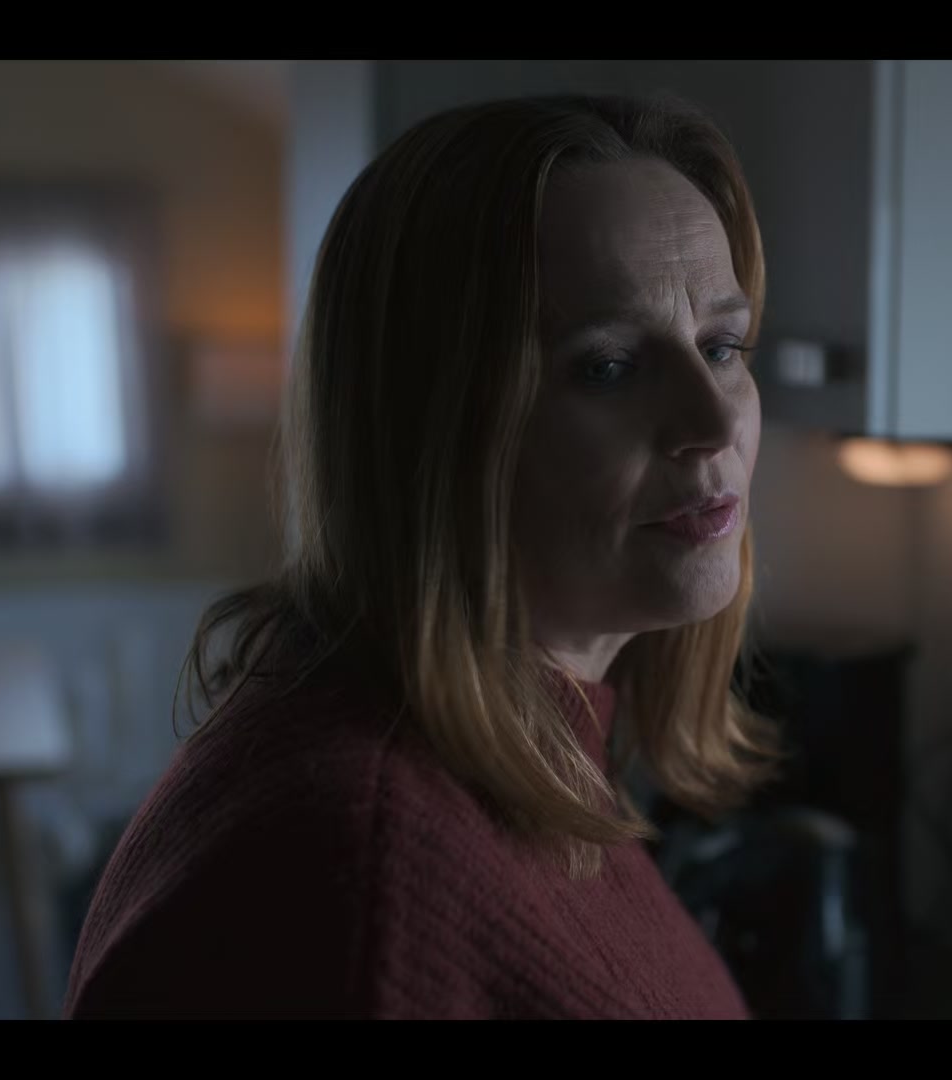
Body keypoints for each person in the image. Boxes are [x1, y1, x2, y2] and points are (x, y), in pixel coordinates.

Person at [62, 93, 781, 1020]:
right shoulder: (360, 870)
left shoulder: (523, 760)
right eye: (607, 367)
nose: (713, 420)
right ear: (433, 425)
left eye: (722, 345)